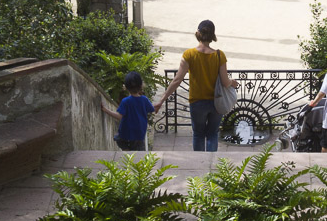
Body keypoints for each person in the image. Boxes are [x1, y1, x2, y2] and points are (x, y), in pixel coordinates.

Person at [157, 20, 238, 151]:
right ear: (213, 35)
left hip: (197, 102)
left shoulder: (189, 54)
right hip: (216, 101)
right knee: (212, 134)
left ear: (198, 33)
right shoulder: (219, 55)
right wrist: (232, 83)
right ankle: (211, 166)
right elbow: (225, 81)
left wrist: (161, 100)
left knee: (198, 134)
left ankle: (200, 165)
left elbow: (177, 80)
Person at [101, 71, 153, 152]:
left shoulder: (125, 101)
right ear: (141, 85)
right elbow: (151, 109)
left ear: (125, 87)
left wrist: (106, 110)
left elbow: (119, 116)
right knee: (140, 152)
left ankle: (126, 150)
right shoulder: (144, 100)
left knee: (118, 139)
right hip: (139, 134)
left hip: (126, 134)